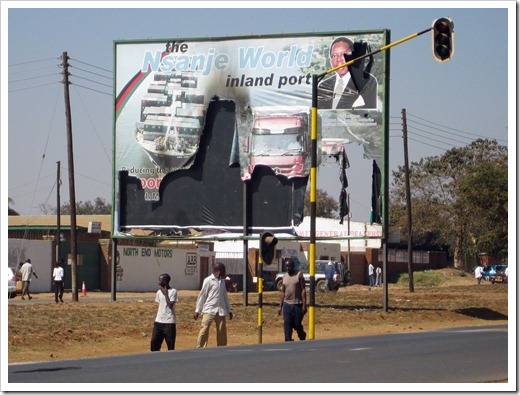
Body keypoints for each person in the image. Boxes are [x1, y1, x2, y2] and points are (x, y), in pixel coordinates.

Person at [318, 36, 377, 110]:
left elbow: (372, 115)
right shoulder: (323, 86)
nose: (338, 59)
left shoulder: (367, 81)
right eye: (334, 55)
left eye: (343, 54)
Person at [194, 262, 233, 348]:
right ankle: (200, 347)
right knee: (204, 328)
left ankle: (222, 348)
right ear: (218, 271)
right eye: (223, 270)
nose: (225, 272)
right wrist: (197, 310)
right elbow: (202, 295)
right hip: (209, 309)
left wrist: (229, 310)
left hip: (221, 310)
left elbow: (225, 296)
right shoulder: (208, 280)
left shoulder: (222, 282)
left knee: (221, 331)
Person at [278, 257, 307, 342]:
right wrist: (280, 306)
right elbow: (283, 292)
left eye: (289, 266)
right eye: (286, 267)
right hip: (287, 305)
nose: (287, 268)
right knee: (287, 323)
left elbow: (303, 290)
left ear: (293, 266)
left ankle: (302, 335)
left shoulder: (299, 275)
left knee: (297, 324)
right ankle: (288, 340)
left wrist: (304, 305)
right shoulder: (284, 277)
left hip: (297, 304)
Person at [151, 273, 179, 352]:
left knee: (170, 346)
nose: (158, 281)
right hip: (159, 321)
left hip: (169, 322)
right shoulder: (158, 292)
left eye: (160, 280)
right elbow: (160, 304)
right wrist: (162, 291)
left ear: (165, 282)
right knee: (154, 344)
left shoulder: (173, 291)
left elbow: (170, 305)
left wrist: (166, 294)